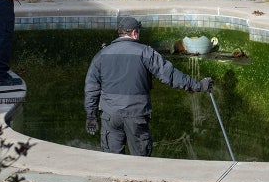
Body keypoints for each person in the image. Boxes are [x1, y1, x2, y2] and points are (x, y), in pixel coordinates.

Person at [84, 17, 214, 156]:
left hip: (110, 116)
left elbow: (91, 88)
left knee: (111, 160)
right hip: (136, 115)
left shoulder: (102, 55)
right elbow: (169, 76)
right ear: (134, 33)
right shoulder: (145, 52)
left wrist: (91, 115)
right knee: (141, 162)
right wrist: (198, 85)